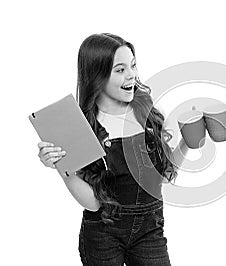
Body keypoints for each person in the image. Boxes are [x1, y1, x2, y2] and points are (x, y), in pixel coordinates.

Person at [37, 33, 189, 266]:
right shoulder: (82, 128)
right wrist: (63, 167)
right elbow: (93, 203)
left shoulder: (145, 112)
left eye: (133, 65)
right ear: (97, 76)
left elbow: (164, 177)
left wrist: (188, 143)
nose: (132, 75)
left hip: (150, 231)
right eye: (120, 70)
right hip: (102, 235)